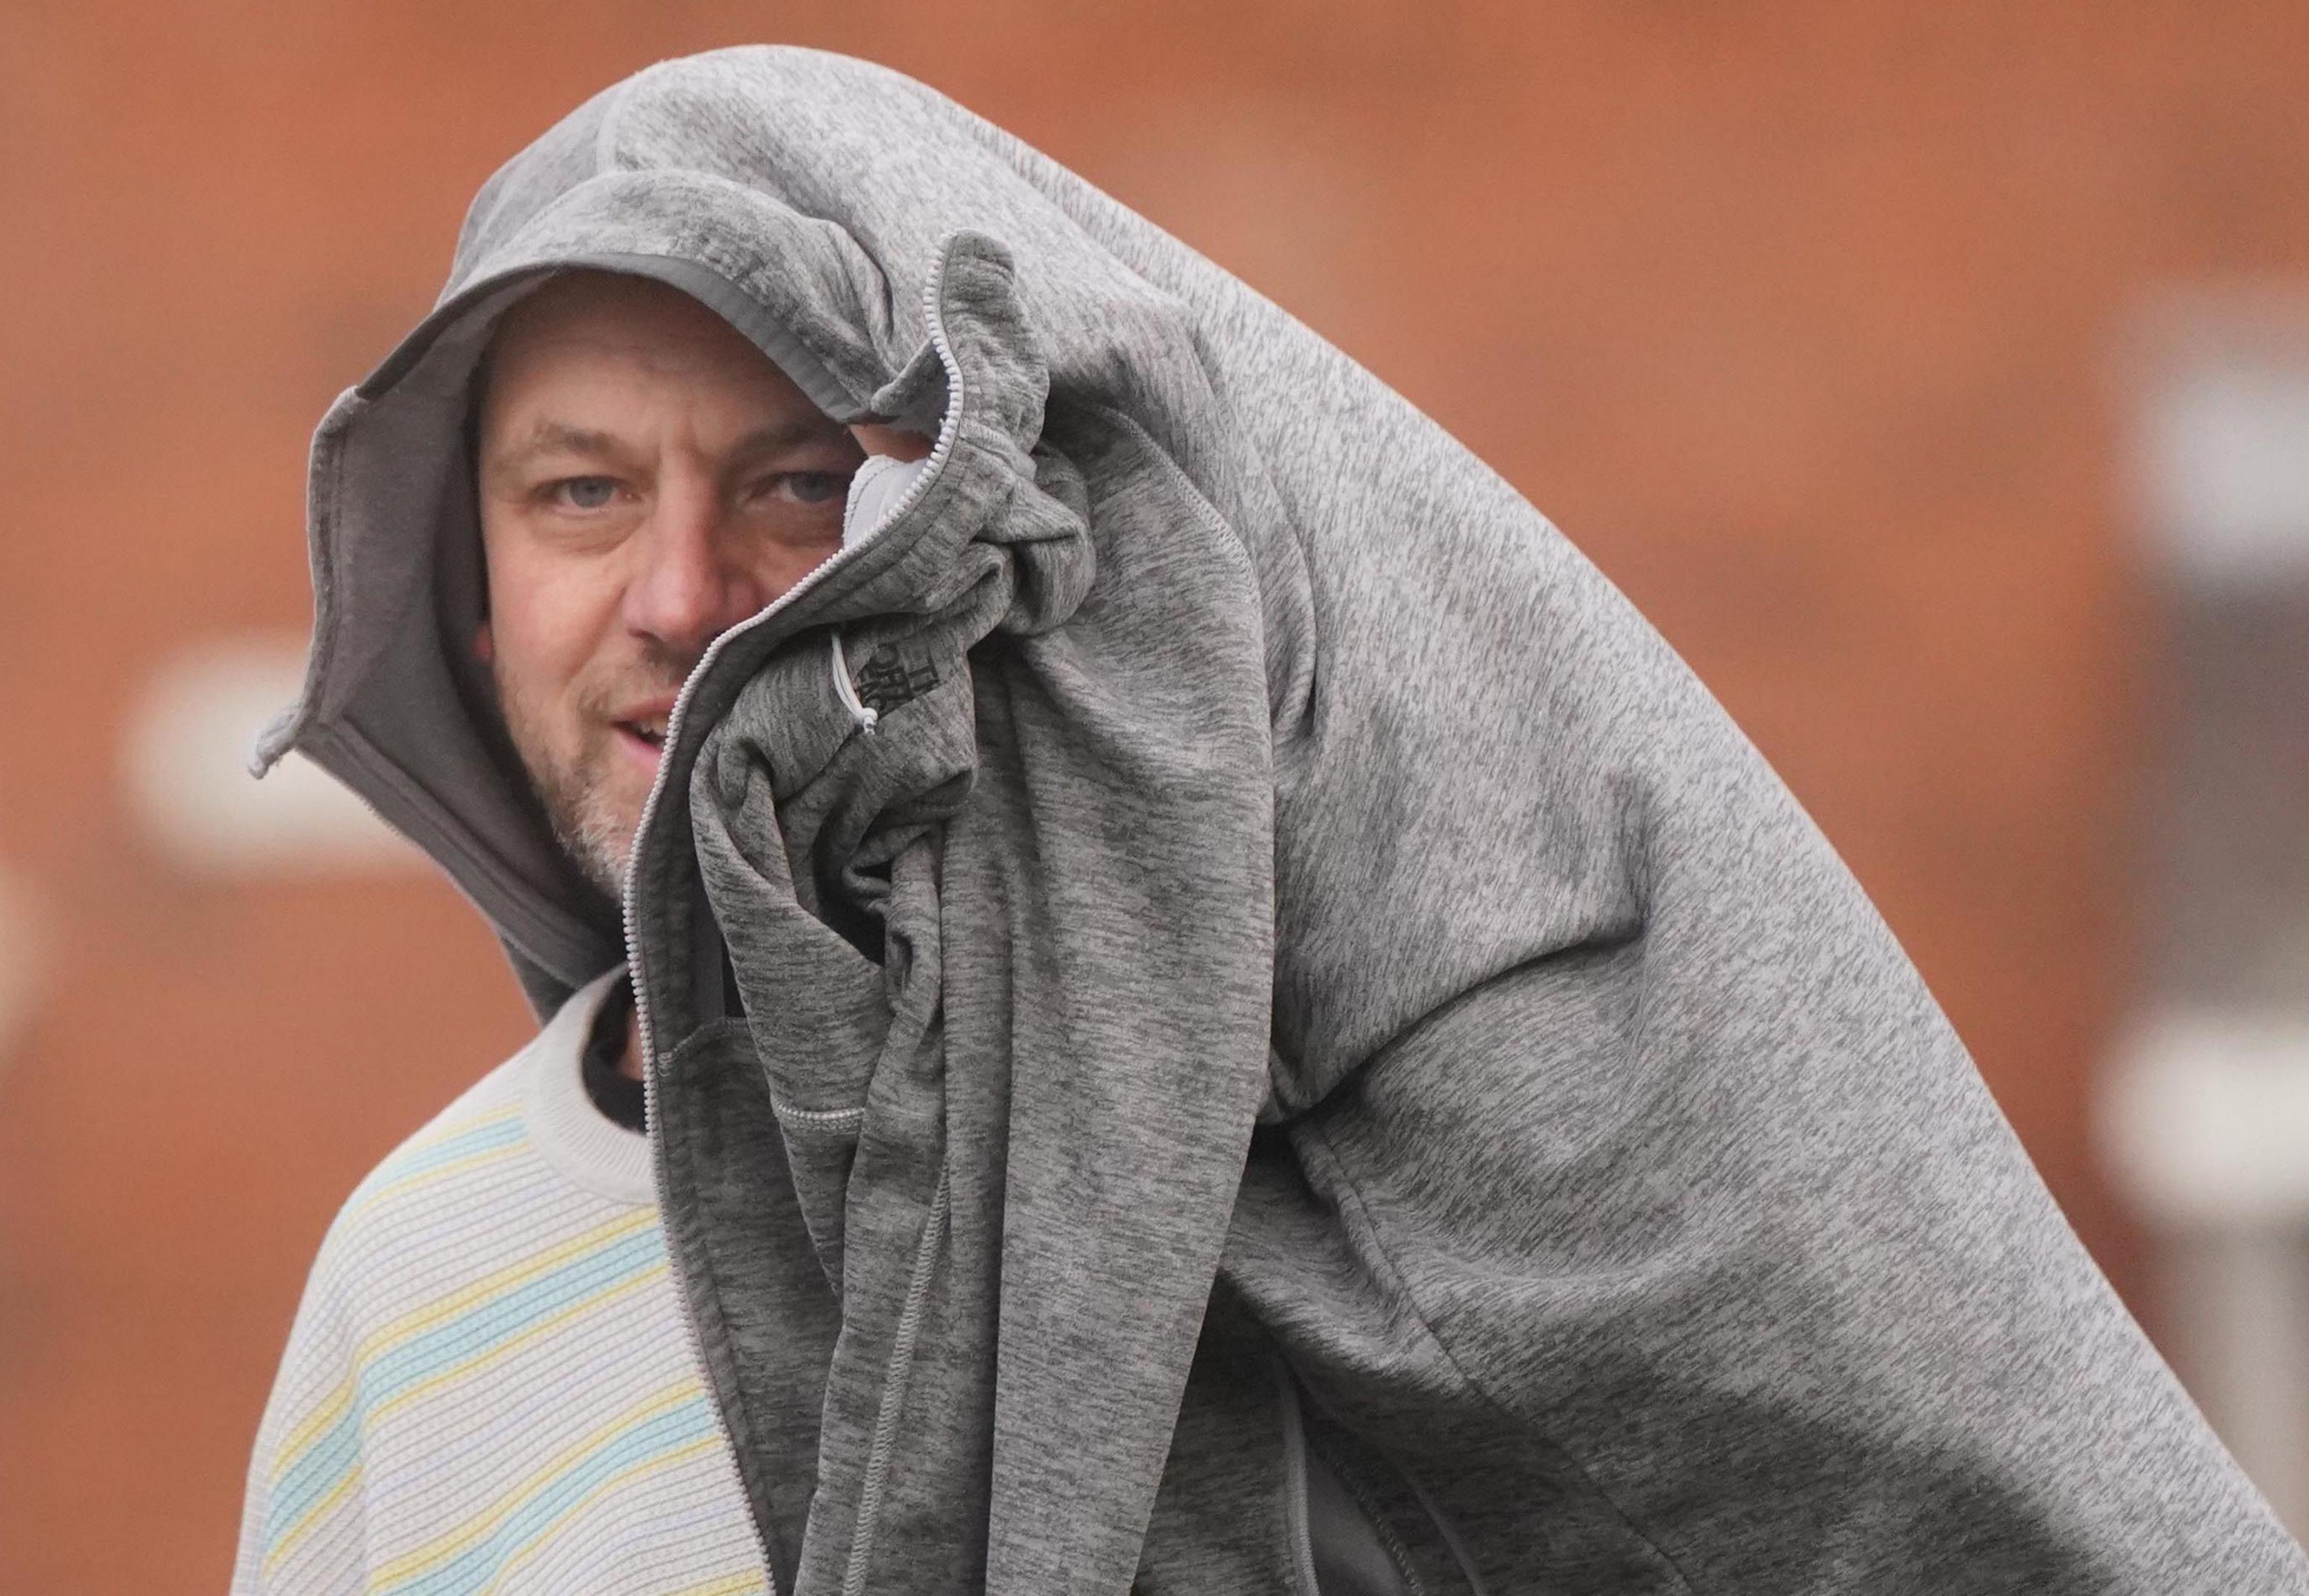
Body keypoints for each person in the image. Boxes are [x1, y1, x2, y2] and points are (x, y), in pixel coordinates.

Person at [235, 46, 2309, 1596]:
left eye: (794, 488)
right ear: (471, 581)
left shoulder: (1361, 1234)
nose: (679, 596)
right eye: (580, 493)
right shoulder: (412, 1290)